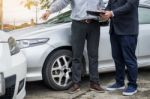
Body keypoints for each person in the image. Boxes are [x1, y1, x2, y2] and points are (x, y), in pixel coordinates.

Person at [41, 0, 105, 94]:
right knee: (76, 55)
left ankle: (94, 83)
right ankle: (76, 84)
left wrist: (103, 13)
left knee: (94, 55)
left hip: (94, 25)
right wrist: (49, 11)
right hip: (78, 25)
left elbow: (102, 7)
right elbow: (62, 2)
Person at [100, 0, 139, 96]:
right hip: (114, 31)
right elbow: (109, 6)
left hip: (128, 31)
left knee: (129, 59)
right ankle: (119, 82)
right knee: (117, 58)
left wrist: (112, 13)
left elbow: (129, 6)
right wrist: (103, 13)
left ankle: (133, 85)